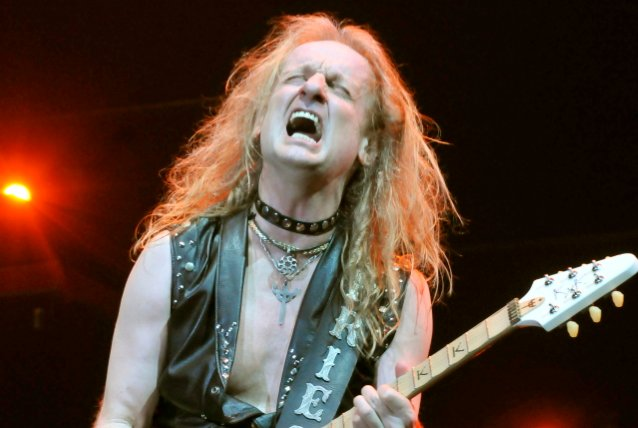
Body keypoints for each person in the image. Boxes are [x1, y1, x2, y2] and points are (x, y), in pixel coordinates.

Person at [93, 12, 457, 428]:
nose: (312, 88)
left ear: (369, 146)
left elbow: (399, 415)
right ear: (259, 123)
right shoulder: (174, 262)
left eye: (338, 88)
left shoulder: (395, 296)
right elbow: (120, 417)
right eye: (295, 78)